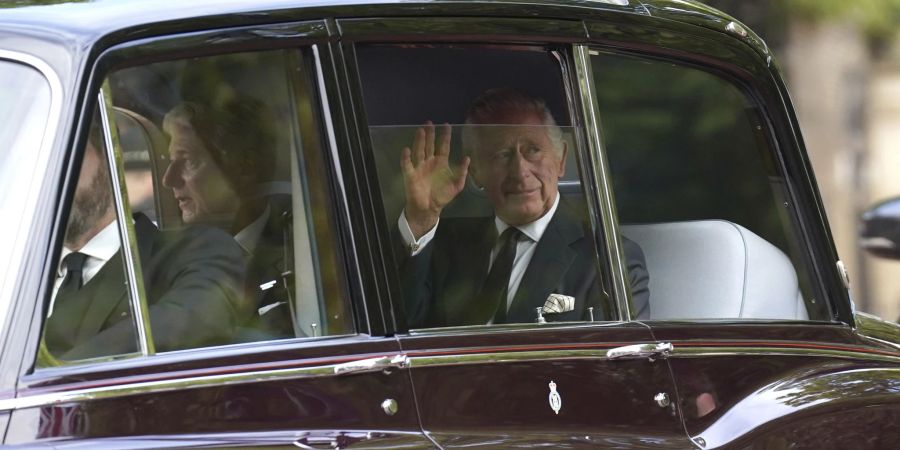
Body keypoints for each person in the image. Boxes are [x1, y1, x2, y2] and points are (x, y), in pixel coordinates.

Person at [397, 88, 649, 327]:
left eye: (533, 150)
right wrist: (421, 217)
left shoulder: (609, 259)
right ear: (475, 171)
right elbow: (402, 330)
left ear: (560, 159)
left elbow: (619, 365)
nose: (520, 172)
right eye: (501, 154)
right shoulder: (446, 245)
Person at [43, 112, 249, 361]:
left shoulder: (194, 250)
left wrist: (49, 370)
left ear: (111, 160)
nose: (46, 177)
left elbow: (193, 318)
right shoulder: (14, 278)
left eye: (62, 156)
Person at [161, 99, 294, 338]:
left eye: (188, 160)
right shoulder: (166, 257)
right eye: (170, 162)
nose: (168, 180)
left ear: (245, 167)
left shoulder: (303, 252)